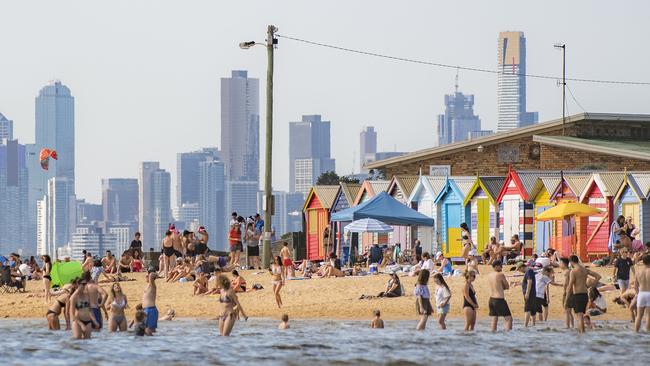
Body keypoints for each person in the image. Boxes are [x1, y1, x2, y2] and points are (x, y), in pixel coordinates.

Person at [565, 255, 602, 333]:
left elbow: (570, 286)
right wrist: (591, 286)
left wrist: (566, 299)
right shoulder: (585, 270)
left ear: (571, 262)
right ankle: (583, 334)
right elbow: (598, 276)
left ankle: (582, 334)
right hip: (585, 295)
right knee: (581, 315)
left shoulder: (573, 271)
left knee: (579, 316)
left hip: (577, 295)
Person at [487, 260, 513, 331]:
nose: (502, 267)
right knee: (508, 318)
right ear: (496, 266)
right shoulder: (500, 274)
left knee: (494, 318)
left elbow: (497, 286)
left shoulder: (489, 275)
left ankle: (493, 334)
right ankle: (508, 334)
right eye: (500, 265)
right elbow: (507, 286)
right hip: (499, 299)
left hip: (491, 299)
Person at [516, 261, 539, 327]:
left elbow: (529, 282)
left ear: (522, 267)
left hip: (530, 293)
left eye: (519, 269)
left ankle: (525, 325)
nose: (519, 271)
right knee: (532, 309)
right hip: (532, 293)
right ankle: (533, 324)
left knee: (527, 309)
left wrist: (527, 293)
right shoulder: (529, 271)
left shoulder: (528, 271)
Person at [635, 254, 650, 332]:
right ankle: (647, 333)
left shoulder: (638, 272)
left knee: (639, 316)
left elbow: (635, 286)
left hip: (641, 294)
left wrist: (637, 295)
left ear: (643, 262)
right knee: (648, 315)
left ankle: (636, 332)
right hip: (649, 293)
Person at [559, 257, 574, 329]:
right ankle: (572, 326)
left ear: (564, 264)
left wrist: (565, 293)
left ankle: (567, 326)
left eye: (560, 263)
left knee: (567, 310)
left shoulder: (566, 272)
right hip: (571, 292)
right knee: (569, 311)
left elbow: (566, 284)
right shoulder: (569, 271)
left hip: (568, 292)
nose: (559, 264)